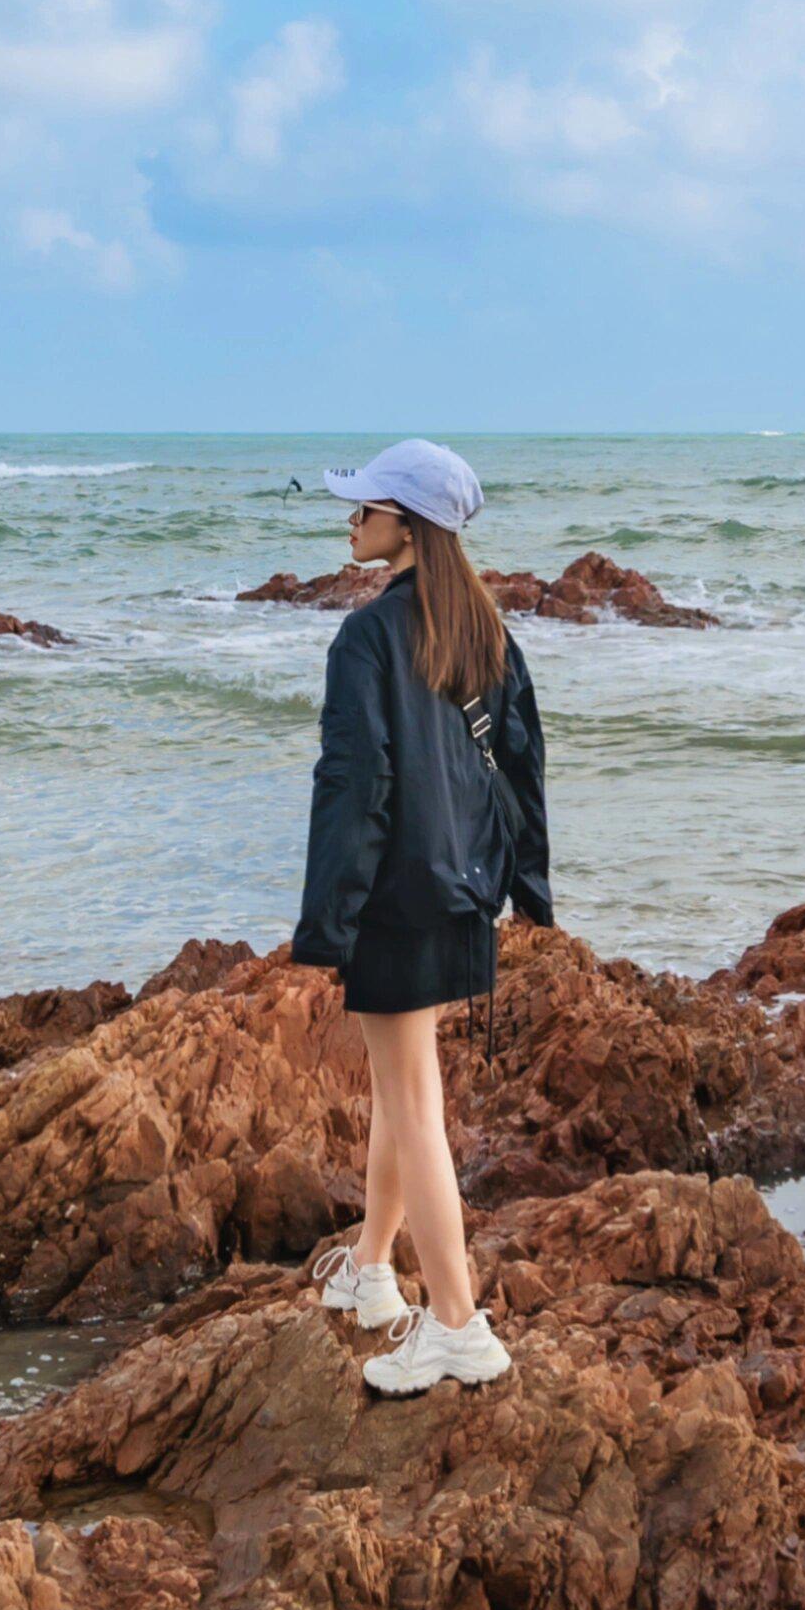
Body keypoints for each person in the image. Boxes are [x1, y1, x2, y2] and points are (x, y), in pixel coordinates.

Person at [290, 438, 553, 1396]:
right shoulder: (484, 632)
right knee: (406, 1084)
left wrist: (329, 921)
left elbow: (355, 787)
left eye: (365, 507)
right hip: (463, 893)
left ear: (409, 525)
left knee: (411, 1101)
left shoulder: (366, 638)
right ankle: (370, 1273)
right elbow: (521, 769)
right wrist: (525, 888)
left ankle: (455, 1325)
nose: (349, 519)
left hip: (400, 900)